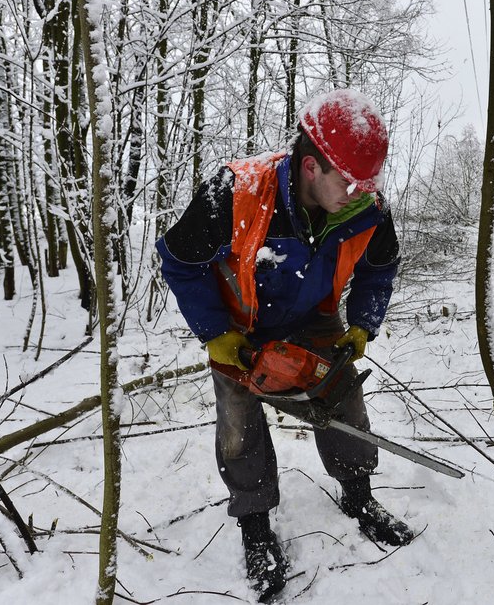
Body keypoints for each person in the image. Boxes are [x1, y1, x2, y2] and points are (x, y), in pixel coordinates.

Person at [156, 89, 410, 602]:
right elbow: (181, 263)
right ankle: (254, 525)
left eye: (369, 183)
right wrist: (216, 333)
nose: (361, 193)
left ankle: (358, 494)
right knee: (238, 423)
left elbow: (379, 272)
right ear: (312, 165)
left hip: (313, 318)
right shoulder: (235, 192)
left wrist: (362, 323)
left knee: (342, 399)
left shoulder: (368, 209)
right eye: (350, 182)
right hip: (239, 325)